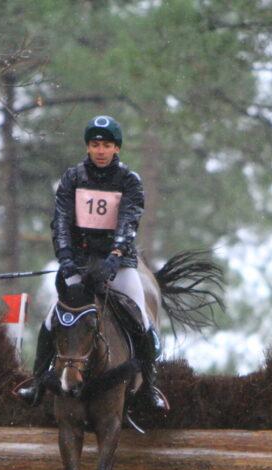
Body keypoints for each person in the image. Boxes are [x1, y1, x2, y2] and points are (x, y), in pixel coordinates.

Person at [16, 115, 168, 411]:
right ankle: (37, 382)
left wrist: (114, 258)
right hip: (80, 264)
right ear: (88, 147)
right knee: (52, 320)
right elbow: (60, 222)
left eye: (107, 145)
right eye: (96, 144)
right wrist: (66, 258)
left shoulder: (129, 182)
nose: (101, 150)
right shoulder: (72, 178)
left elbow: (127, 223)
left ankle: (149, 386)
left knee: (142, 320)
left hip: (120, 266)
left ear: (116, 149)